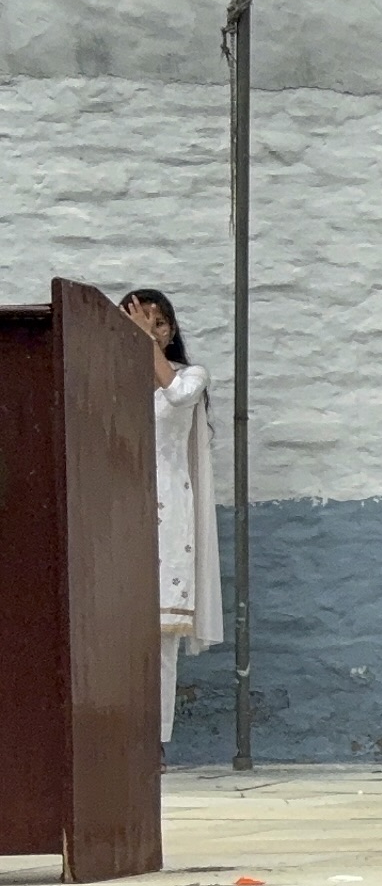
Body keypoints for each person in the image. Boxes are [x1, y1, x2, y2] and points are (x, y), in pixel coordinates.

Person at [120, 289, 222, 746]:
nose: (151, 330)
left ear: (171, 329)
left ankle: (154, 742)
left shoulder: (190, 376)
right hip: (116, 510)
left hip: (168, 511)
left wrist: (145, 344)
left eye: (158, 323)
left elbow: (177, 396)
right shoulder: (106, 380)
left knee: (160, 638)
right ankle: (114, 739)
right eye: (140, 322)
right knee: (113, 630)